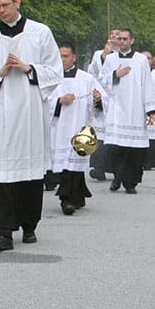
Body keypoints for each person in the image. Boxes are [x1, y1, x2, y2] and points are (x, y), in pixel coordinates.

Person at [0, 0, 63, 251]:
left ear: (17, 2)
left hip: (30, 113)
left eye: (5, 5)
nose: (1, 11)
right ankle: (3, 232)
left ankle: (29, 224)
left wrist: (27, 67)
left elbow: (55, 71)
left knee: (29, 172)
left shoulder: (40, 33)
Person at [48, 41, 105, 215]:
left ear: (74, 57)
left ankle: (77, 196)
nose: (62, 60)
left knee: (75, 163)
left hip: (79, 127)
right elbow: (44, 101)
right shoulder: (51, 78)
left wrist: (97, 99)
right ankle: (66, 200)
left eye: (65, 56)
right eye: (59, 56)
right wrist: (59, 101)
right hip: (59, 129)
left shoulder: (86, 79)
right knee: (65, 164)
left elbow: (101, 102)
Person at [100, 27, 155, 193]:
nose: (122, 41)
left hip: (135, 109)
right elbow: (102, 81)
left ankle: (130, 182)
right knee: (116, 148)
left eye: (126, 39)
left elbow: (147, 84)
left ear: (132, 41)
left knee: (133, 150)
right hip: (117, 110)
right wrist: (115, 74)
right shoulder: (110, 59)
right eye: (120, 39)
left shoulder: (140, 60)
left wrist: (150, 109)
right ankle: (117, 178)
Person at [87, 27, 121, 182]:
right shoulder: (98, 54)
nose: (113, 37)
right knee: (100, 132)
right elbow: (92, 72)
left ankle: (115, 168)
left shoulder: (122, 56)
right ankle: (99, 167)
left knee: (115, 134)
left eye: (117, 35)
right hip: (101, 94)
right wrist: (104, 56)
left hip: (117, 96)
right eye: (112, 34)